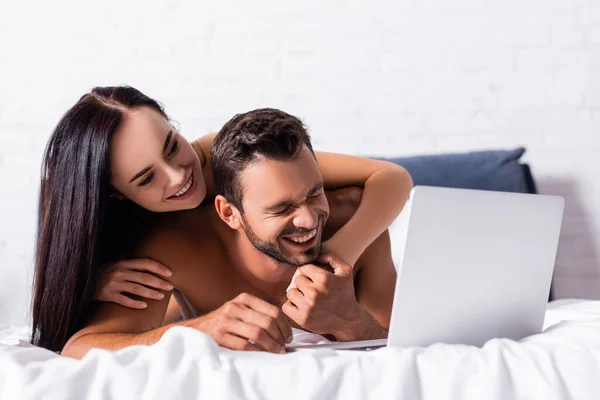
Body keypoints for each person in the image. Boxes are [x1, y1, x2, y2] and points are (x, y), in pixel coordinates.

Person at [32, 86, 412, 357]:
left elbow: (391, 178)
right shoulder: (160, 245)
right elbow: (82, 343)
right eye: (147, 178)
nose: (179, 176)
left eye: (172, 146)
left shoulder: (232, 160)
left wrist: (337, 252)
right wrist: (93, 278)